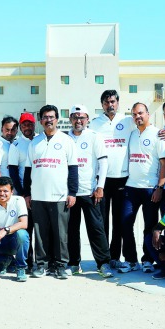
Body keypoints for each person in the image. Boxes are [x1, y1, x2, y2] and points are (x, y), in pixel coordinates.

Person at [24, 105, 78, 279]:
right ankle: (41, 265)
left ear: (57, 119)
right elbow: (27, 170)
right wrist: (27, 194)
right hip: (38, 196)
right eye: (45, 117)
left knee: (61, 234)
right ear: (41, 121)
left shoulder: (66, 141)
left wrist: (72, 193)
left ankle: (61, 265)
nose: (49, 120)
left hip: (60, 196)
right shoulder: (35, 142)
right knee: (40, 234)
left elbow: (73, 169)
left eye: (52, 117)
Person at [117, 102, 165, 273]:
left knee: (150, 226)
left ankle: (148, 259)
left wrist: (159, 187)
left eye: (140, 113)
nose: (137, 117)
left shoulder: (158, 134)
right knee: (125, 223)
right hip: (131, 187)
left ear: (148, 114)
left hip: (149, 188)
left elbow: (164, 163)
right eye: (134, 114)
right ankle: (131, 260)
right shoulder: (131, 134)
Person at [67, 105, 113, 277]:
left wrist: (100, 186)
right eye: (75, 117)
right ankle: (73, 263)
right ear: (70, 118)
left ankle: (103, 264)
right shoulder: (64, 138)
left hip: (90, 191)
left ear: (87, 119)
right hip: (71, 193)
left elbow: (103, 162)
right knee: (71, 230)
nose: (78, 120)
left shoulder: (95, 136)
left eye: (82, 117)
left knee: (96, 229)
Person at [90, 90, 134, 268]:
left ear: (118, 103)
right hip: (102, 180)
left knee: (118, 220)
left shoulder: (127, 121)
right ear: (102, 104)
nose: (111, 105)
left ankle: (115, 256)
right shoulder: (94, 124)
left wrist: (163, 132)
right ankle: (104, 258)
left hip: (122, 178)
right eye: (107, 102)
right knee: (102, 220)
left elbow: (145, 128)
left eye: (113, 101)